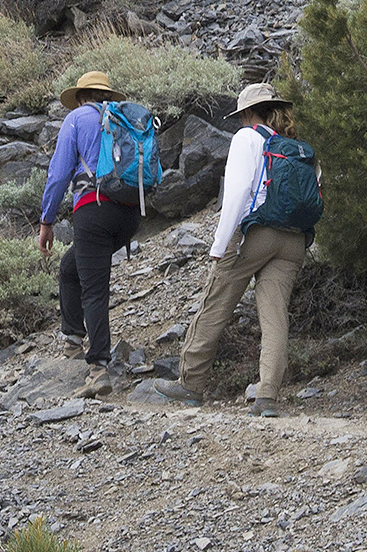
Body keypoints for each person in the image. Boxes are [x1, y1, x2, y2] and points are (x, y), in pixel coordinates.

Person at [153, 83, 310, 417]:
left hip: (255, 233)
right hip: (294, 239)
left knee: (216, 303)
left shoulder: (247, 138)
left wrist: (220, 244)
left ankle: (190, 384)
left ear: (248, 113)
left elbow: (237, 193)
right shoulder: (294, 147)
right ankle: (267, 395)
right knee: (274, 315)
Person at [38, 70, 141, 398]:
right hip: (130, 212)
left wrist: (47, 220)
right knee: (71, 269)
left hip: (94, 210)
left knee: (94, 289)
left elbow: (58, 173)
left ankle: (97, 368)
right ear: (106, 96)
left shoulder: (77, 117)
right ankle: (72, 339)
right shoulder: (125, 118)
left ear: (81, 96)